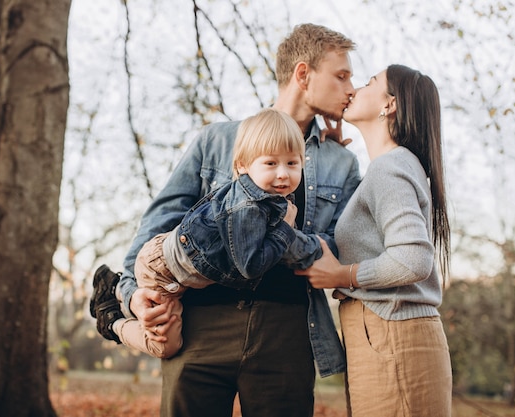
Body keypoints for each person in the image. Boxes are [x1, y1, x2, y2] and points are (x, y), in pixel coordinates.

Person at [93, 23, 361, 417]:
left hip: (285, 333)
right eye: (341, 75)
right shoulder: (216, 141)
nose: (351, 88)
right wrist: (134, 294)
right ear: (303, 75)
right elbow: (158, 224)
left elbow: (338, 248)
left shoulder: (342, 162)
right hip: (200, 327)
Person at [92, 108, 334, 359]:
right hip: (160, 270)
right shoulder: (246, 207)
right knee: (165, 345)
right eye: (271, 163)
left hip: (181, 267)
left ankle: (117, 295)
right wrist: (285, 230)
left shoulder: (271, 197)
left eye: (292, 163)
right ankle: (113, 314)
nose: (283, 173)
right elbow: (250, 267)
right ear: (242, 166)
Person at [300, 64, 453, 416]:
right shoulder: (389, 167)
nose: (354, 89)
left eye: (369, 82)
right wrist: (333, 155)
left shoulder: (390, 168)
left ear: (390, 105)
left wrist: (342, 277)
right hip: (387, 334)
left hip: (393, 335)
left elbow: (413, 259)